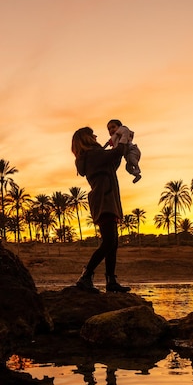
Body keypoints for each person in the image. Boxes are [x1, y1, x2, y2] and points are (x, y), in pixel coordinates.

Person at [71, 126, 131, 293]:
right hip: (104, 198)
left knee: (113, 242)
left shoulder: (91, 156)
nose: (96, 136)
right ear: (86, 138)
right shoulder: (92, 154)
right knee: (109, 242)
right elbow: (115, 154)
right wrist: (123, 136)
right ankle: (86, 275)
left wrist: (117, 144)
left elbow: (113, 162)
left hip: (106, 197)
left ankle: (111, 281)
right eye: (92, 135)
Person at [105, 119, 141, 183]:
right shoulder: (114, 138)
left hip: (132, 150)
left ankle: (137, 168)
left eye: (113, 127)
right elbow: (108, 143)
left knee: (131, 159)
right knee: (128, 168)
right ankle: (137, 175)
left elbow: (125, 132)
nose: (111, 130)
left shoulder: (122, 132)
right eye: (109, 129)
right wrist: (103, 148)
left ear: (119, 127)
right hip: (127, 155)